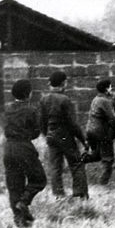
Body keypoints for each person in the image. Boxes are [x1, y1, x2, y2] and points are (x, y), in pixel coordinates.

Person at [3, 79, 47, 228]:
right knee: (39, 179)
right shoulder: (31, 110)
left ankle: (19, 219)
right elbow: (36, 132)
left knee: (14, 184)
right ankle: (24, 202)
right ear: (27, 94)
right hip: (24, 147)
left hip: (8, 148)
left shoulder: (7, 109)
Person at [39, 71, 89, 199]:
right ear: (63, 83)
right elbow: (73, 124)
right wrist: (83, 140)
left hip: (51, 135)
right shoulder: (65, 99)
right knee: (76, 163)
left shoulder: (44, 99)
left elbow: (42, 122)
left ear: (50, 84)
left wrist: (47, 134)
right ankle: (79, 194)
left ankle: (58, 195)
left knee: (55, 167)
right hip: (65, 135)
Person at [83, 79, 115, 184]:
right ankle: (103, 184)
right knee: (108, 159)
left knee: (97, 155)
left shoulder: (96, 99)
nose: (111, 89)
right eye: (110, 87)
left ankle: (80, 160)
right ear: (106, 89)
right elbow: (113, 118)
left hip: (90, 131)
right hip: (101, 132)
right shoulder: (105, 101)